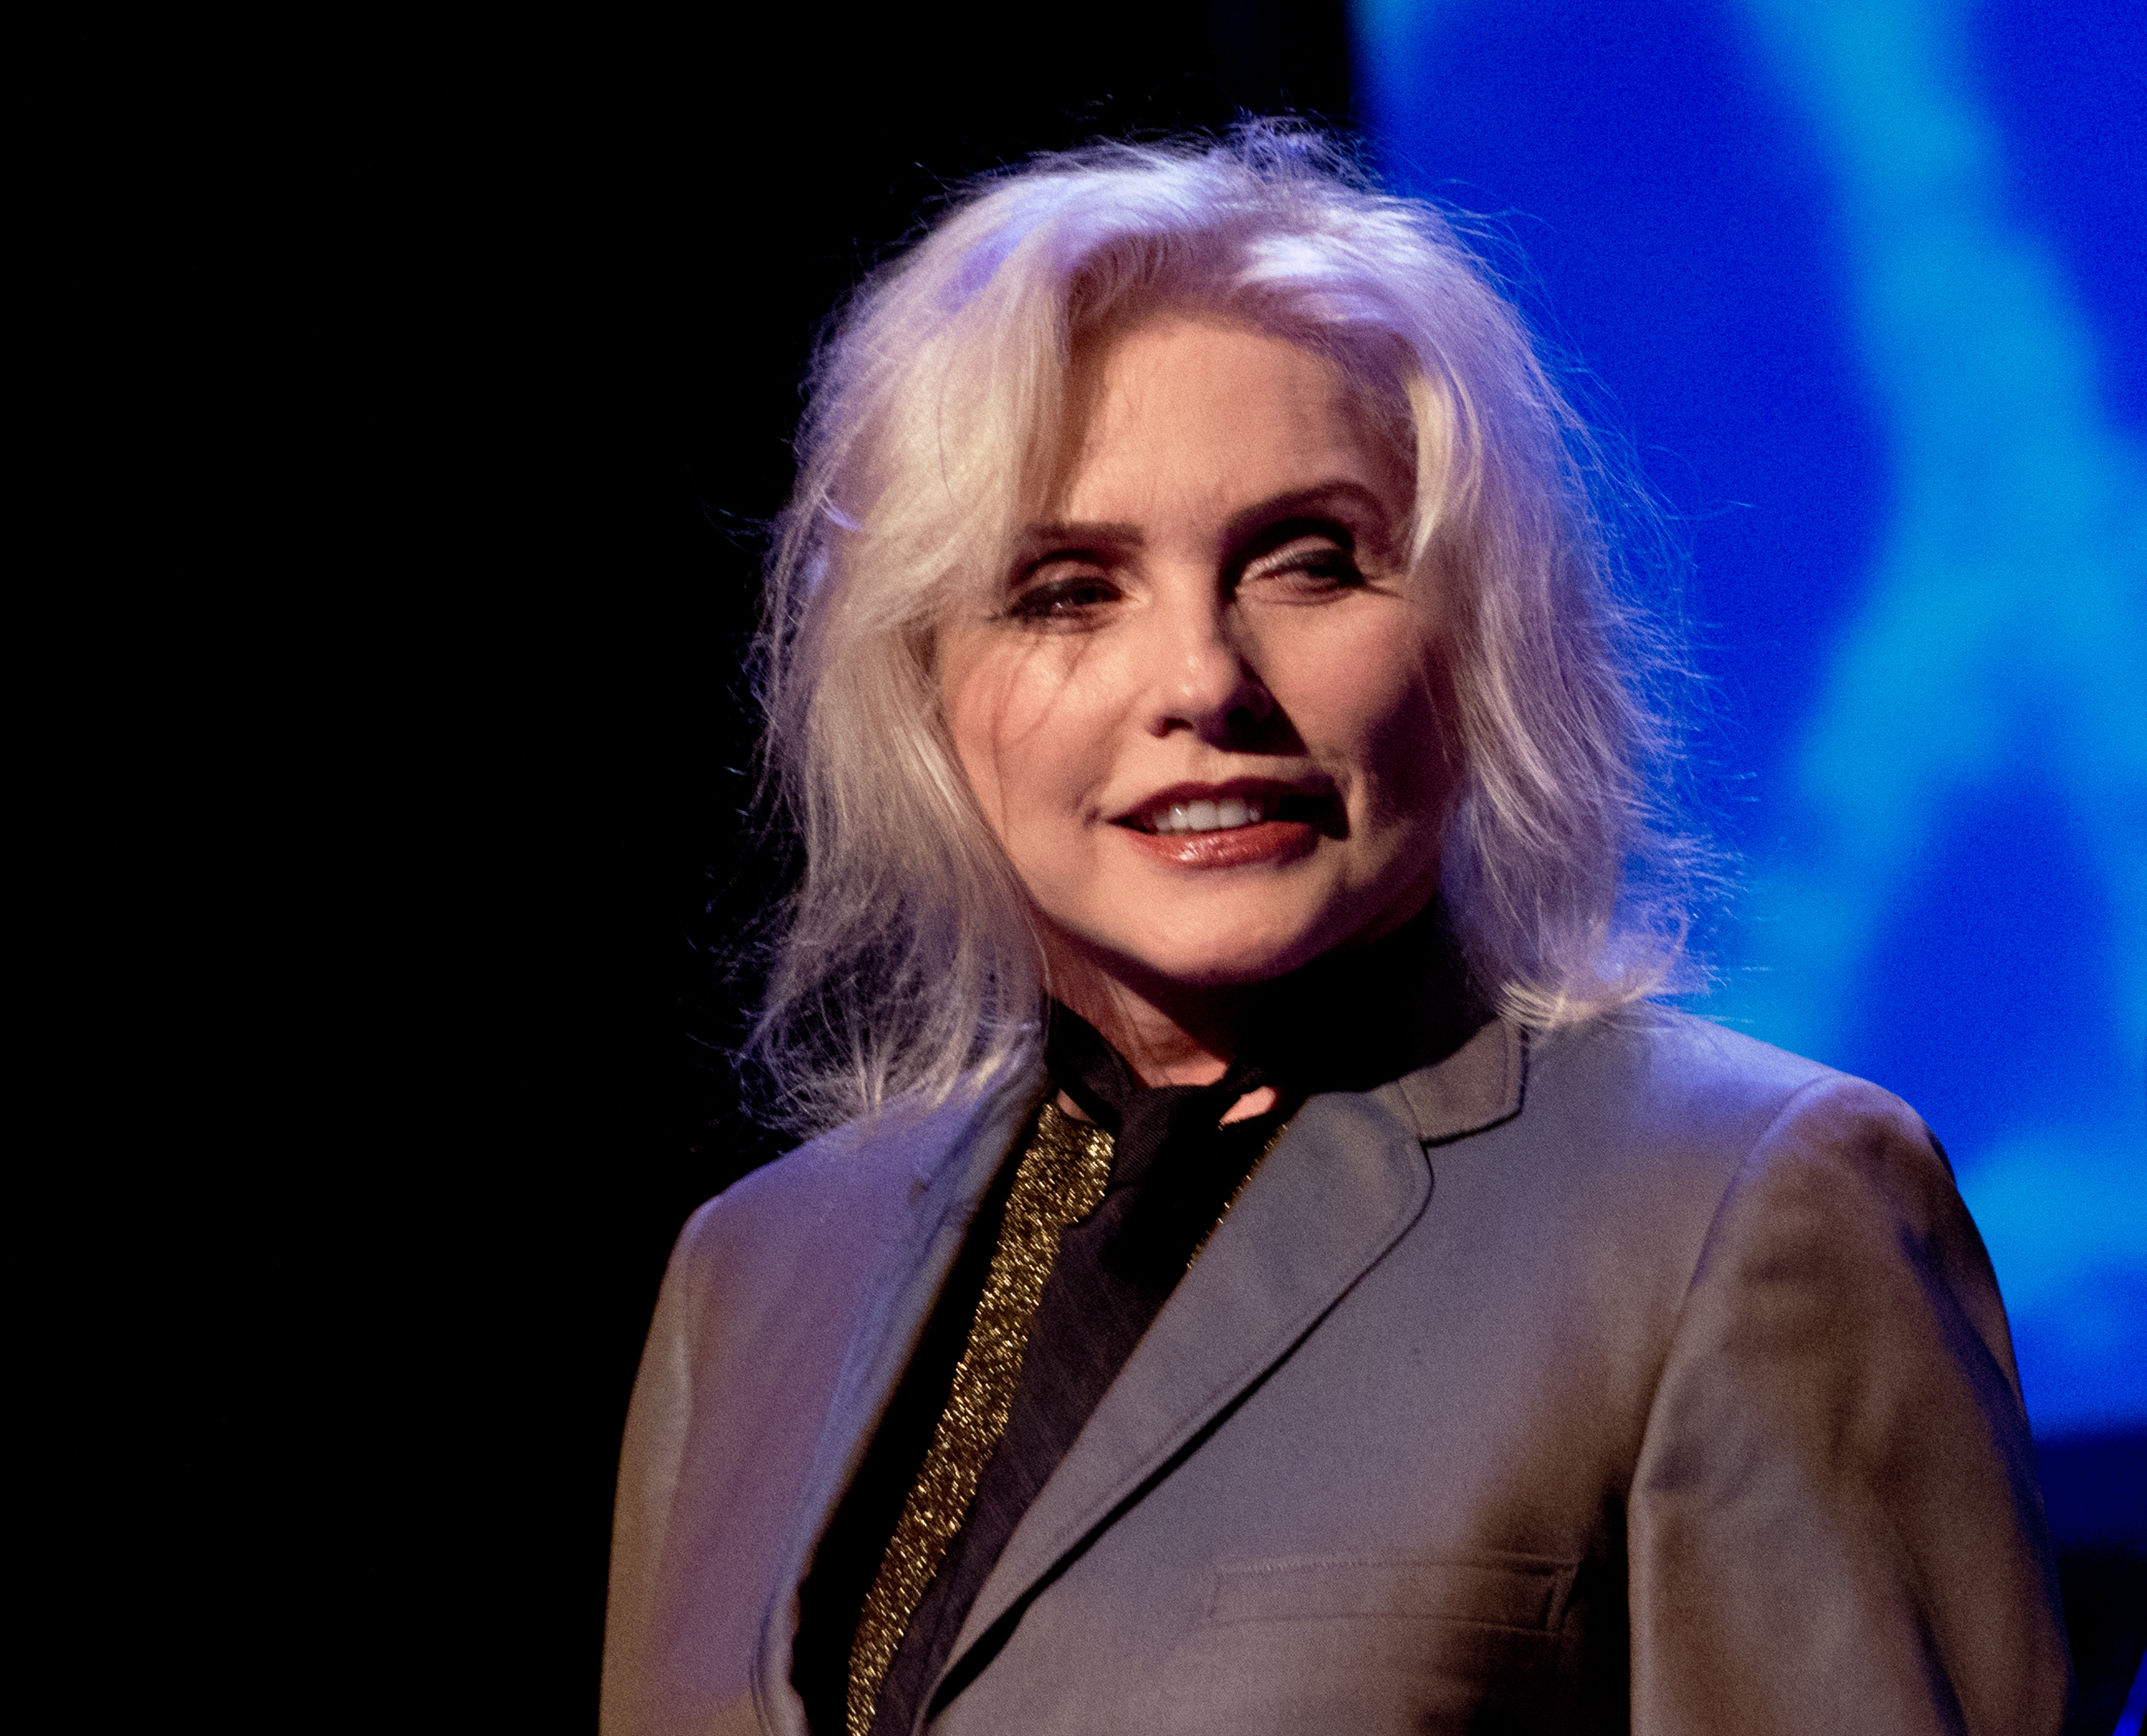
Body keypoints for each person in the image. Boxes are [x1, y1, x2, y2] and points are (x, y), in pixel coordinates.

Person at [602, 129, 2069, 1735]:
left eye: (1309, 562)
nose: (1202, 684)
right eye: (1066, 591)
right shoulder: (752, 1274)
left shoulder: (1739, 1206)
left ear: (1475, 637)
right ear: (923, 682)